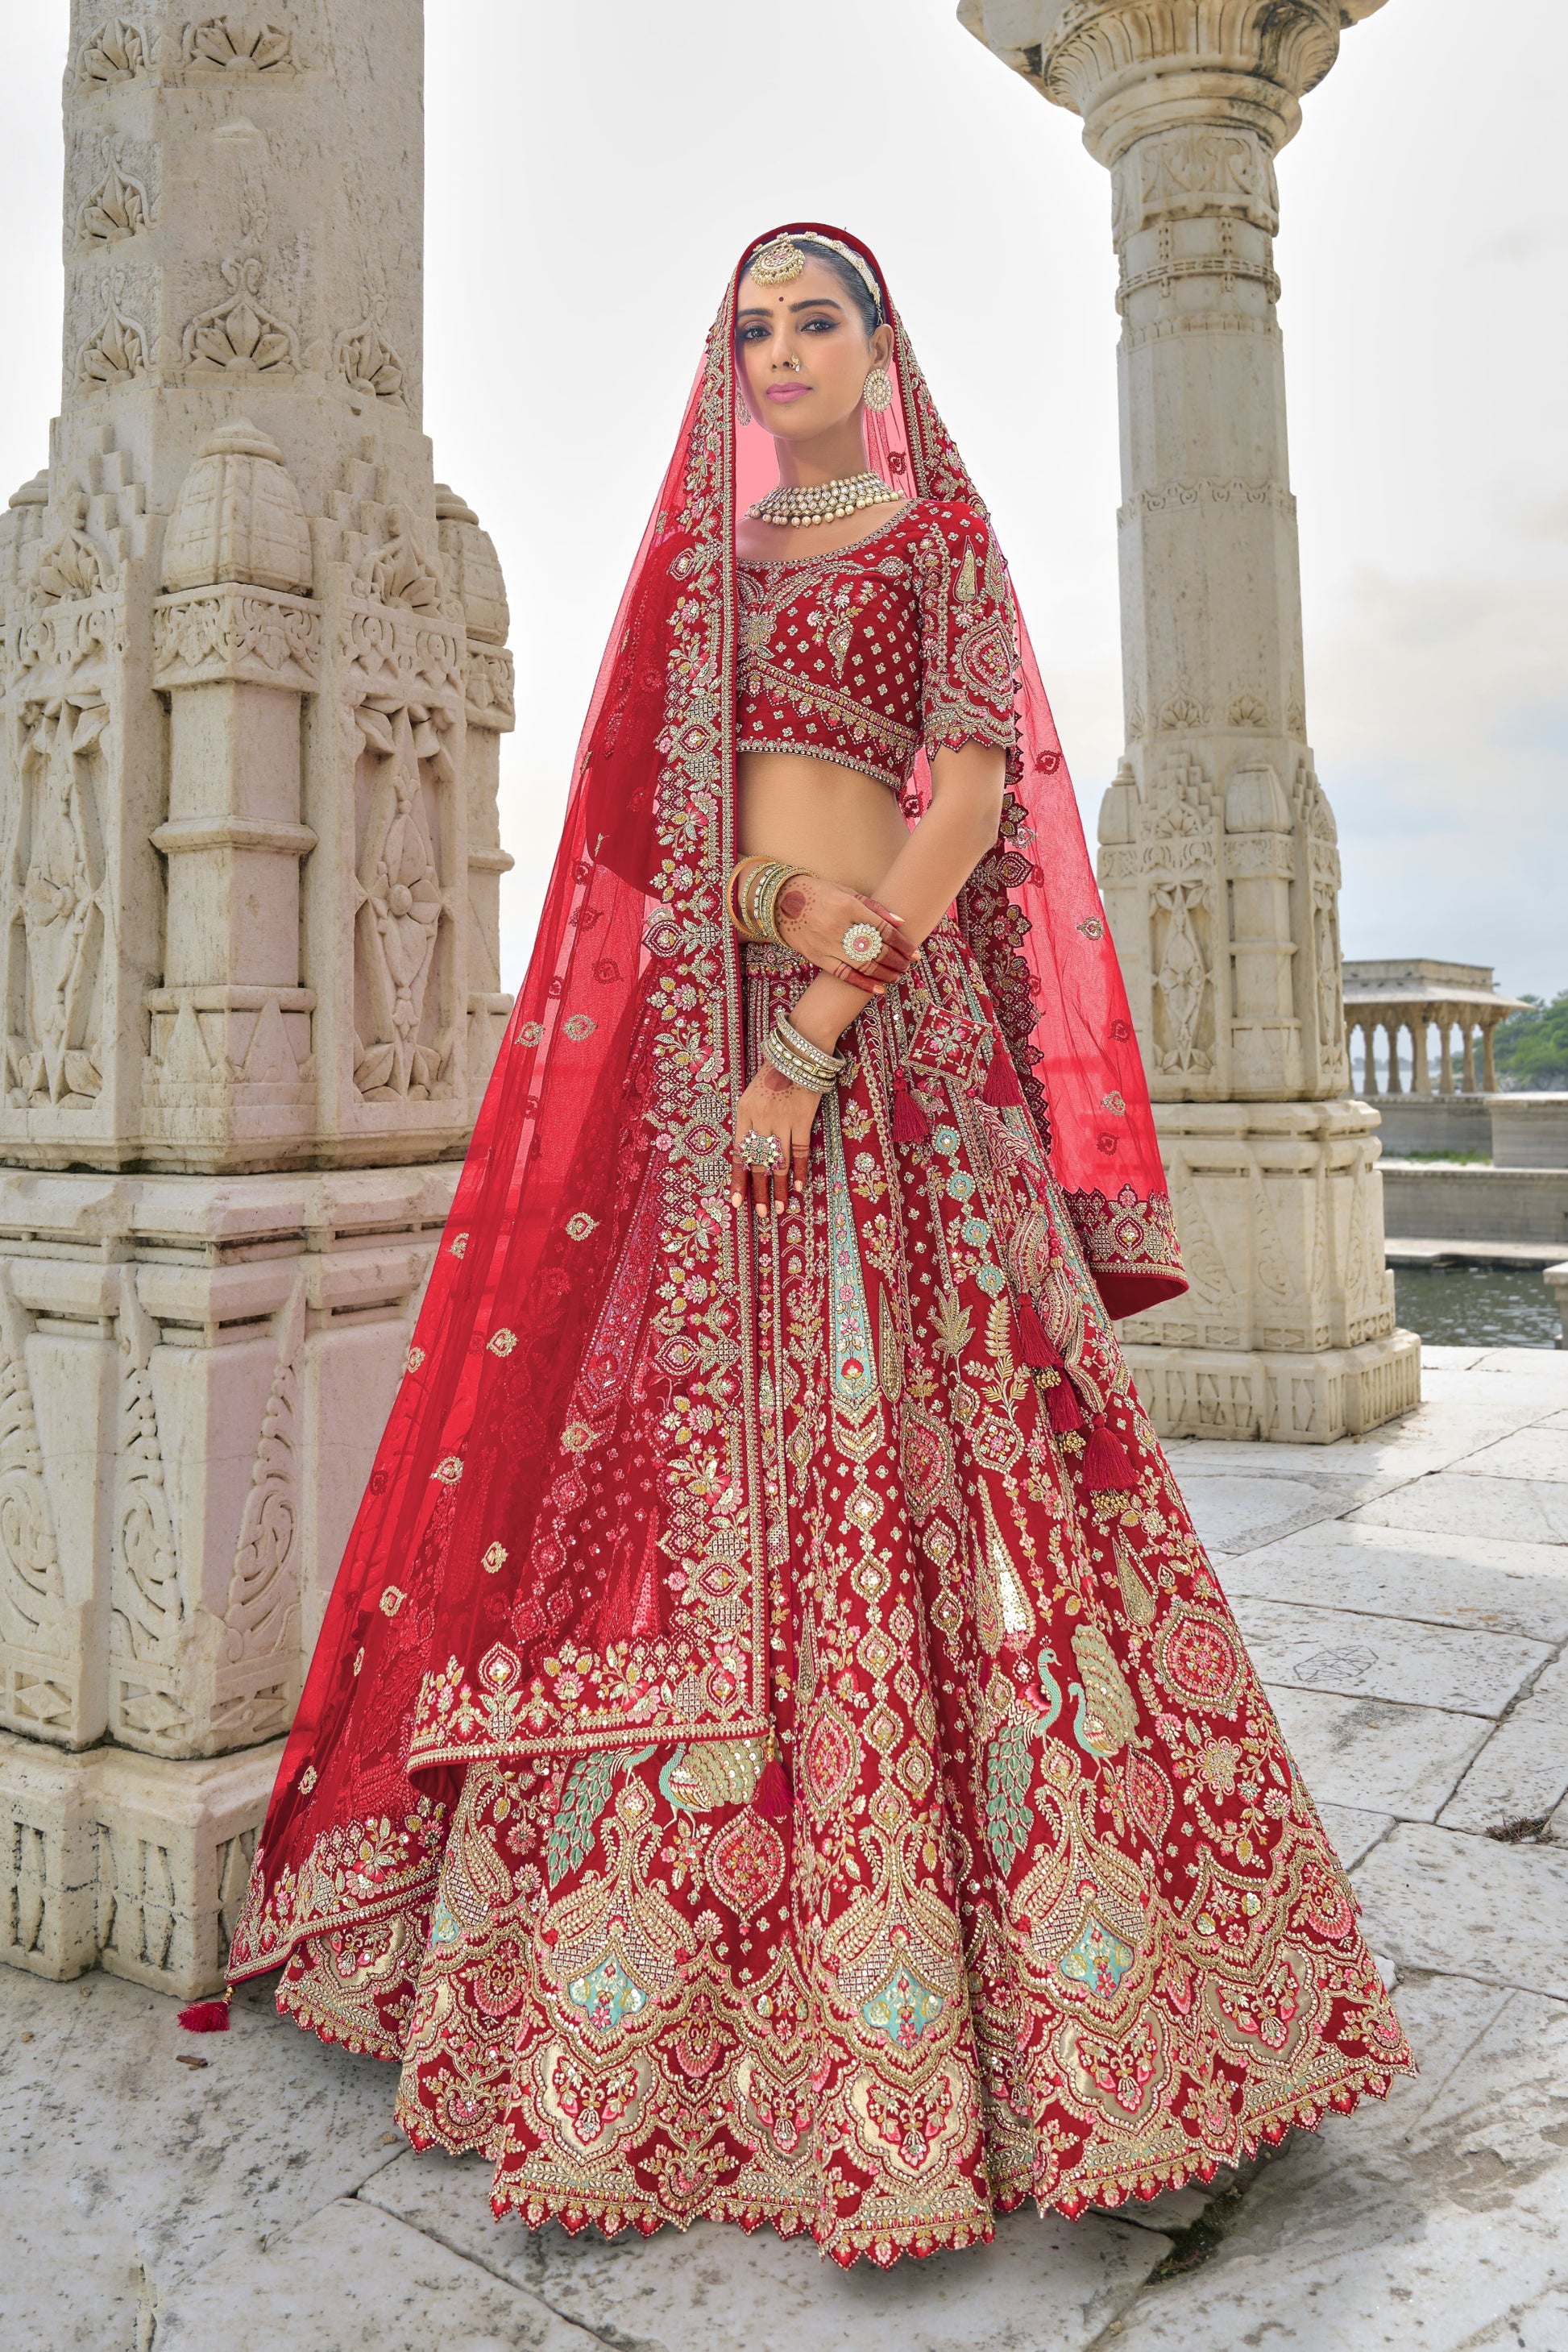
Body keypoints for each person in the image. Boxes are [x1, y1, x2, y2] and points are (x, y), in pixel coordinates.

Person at [226, 225, 1411, 2267]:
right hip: (715, 1071)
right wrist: (766, 904)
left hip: (888, 1058)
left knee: (971, 1475)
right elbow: (622, 826)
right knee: (696, 1487)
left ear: (882, 345)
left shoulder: (936, 536)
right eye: (751, 327)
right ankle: (644, 2007)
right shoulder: (707, 574)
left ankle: (1083, 1996)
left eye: (814, 321)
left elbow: (963, 808)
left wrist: (820, 1005)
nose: (778, 355)